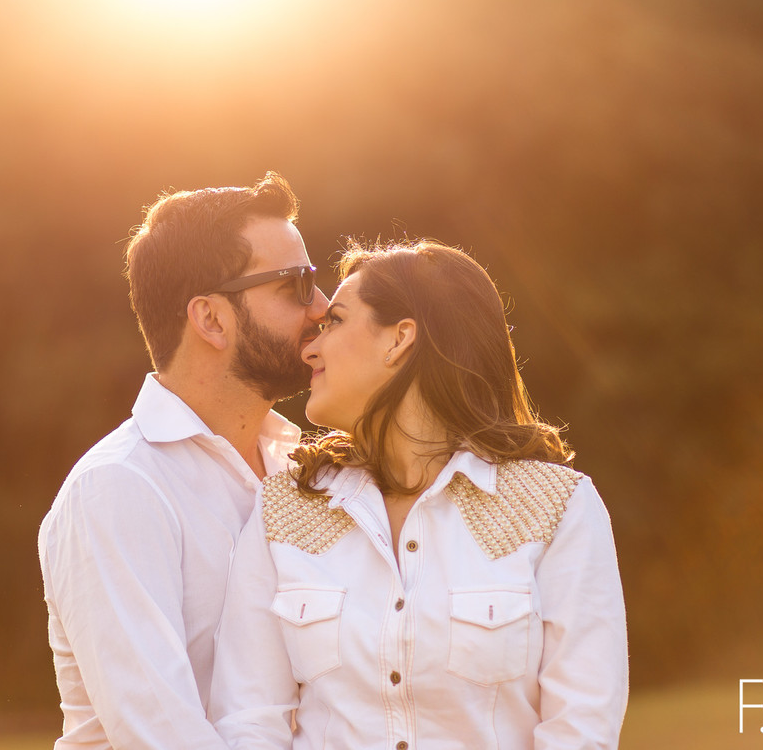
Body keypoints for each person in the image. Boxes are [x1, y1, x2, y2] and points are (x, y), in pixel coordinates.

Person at [209, 239, 629, 749]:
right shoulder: (283, 512)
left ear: (400, 338)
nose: (309, 348)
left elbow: (579, 731)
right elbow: (248, 722)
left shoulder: (557, 508)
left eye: (335, 321)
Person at [38, 172, 329, 750]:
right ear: (211, 319)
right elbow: (161, 736)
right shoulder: (119, 488)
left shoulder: (303, 469)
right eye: (296, 285)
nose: (321, 307)